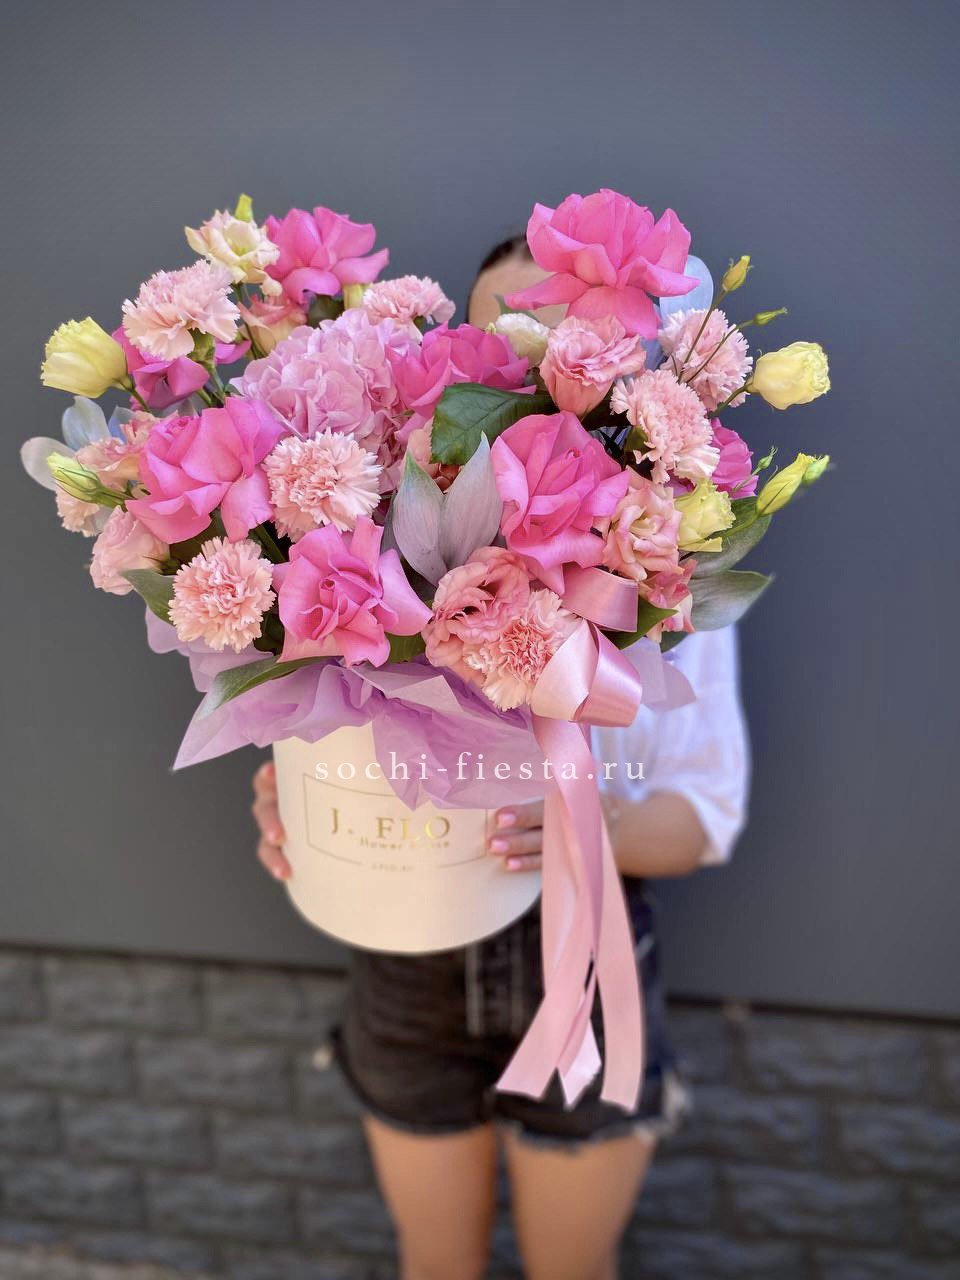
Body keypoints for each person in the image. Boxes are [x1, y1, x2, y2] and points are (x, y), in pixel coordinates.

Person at [251, 236, 750, 1280]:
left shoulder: (660, 580)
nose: (530, 372)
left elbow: (707, 816)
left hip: (584, 961)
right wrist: (301, 789)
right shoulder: (380, 533)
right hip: (407, 963)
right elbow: (340, 727)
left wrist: (590, 823)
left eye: (557, 342)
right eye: (502, 337)